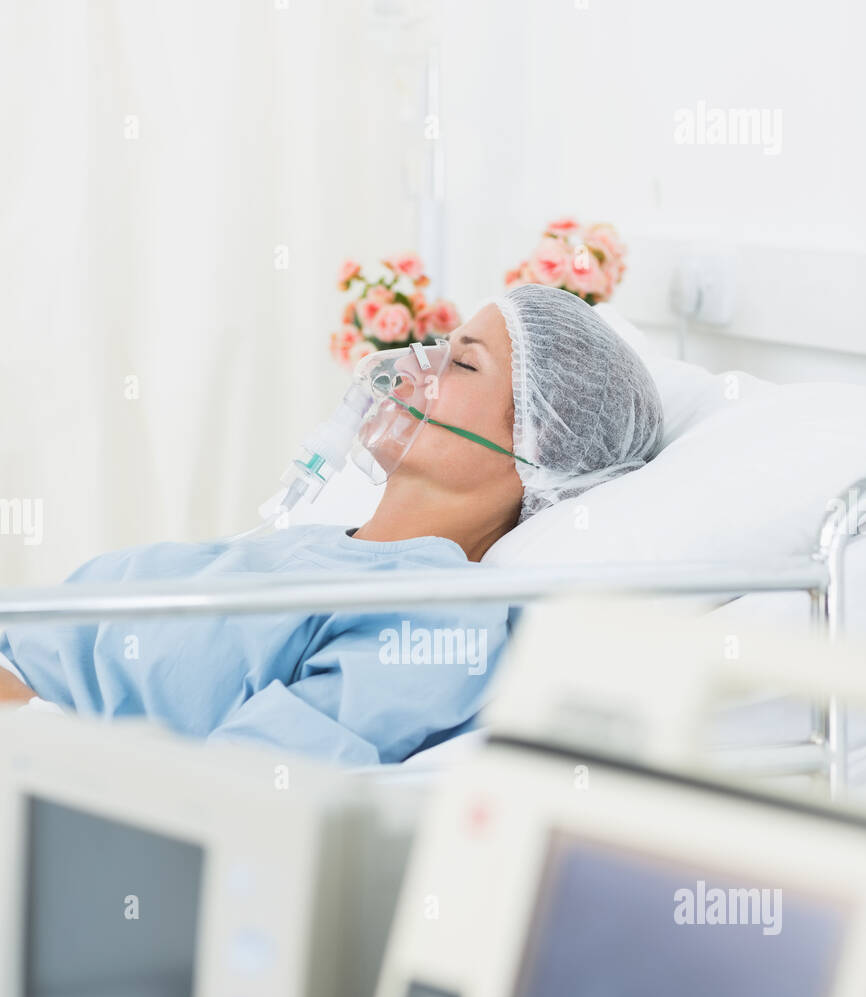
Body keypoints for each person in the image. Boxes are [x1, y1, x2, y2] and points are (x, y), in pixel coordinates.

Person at [0, 285, 663, 764]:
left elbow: (245, 790)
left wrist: (27, 720)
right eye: (437, 343)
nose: (412, 364)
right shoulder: (312, 548)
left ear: (539, 447)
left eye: (462, 363)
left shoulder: (436, 616)